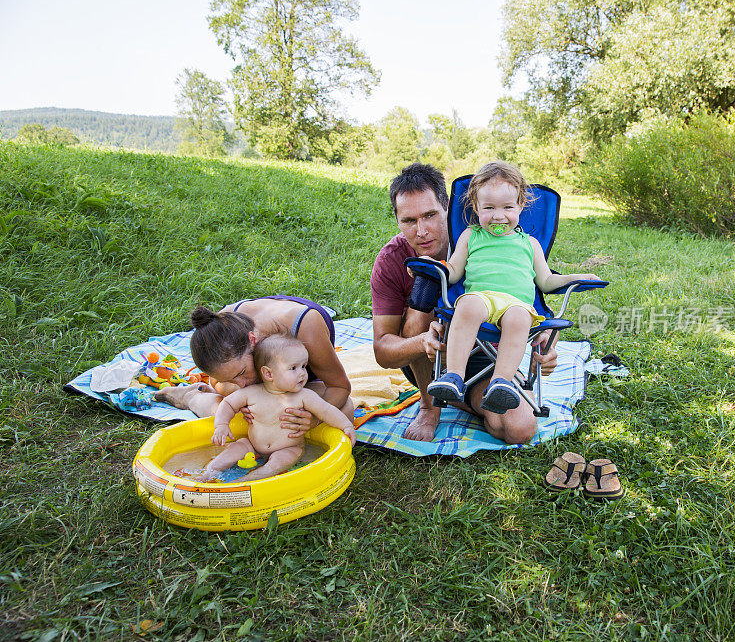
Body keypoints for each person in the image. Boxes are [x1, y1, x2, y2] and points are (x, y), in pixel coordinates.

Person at [370, 163, 558, 445]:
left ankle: (472, 395)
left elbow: (525, 290)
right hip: (427, 357)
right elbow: (383, 351)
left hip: (486, 354)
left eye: (431, 215)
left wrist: (543, 338)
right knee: (424, 293)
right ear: (396, 219)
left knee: (519, 428)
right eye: (409, 220)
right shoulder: (391, 260)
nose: (422, 231)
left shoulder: (496, 242)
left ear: (448, 208)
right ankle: (429, 406)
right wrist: (423, 341)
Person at [425, 161, 601, 414]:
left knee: (521, 316)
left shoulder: (530, 244)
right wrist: (432, 265)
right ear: (476, 207)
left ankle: (502, 383)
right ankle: (452, 376)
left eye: (508, 207)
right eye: (489, 208)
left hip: (516, 304)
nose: (499, 216)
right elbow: (452, 273)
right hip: (481, 299)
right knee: (467, 304)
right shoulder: (471, 236)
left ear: (520, 206)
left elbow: (547, 281)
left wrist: (576, 277)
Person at [155, 296, 354, 437]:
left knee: (345, 409)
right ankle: (192, 397)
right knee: (236, 414)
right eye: (231, 379)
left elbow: (340, 387)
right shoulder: (219, 328)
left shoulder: (304, 327)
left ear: (253, 340)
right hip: (265, 390)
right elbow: (219, 384)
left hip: (297, 383)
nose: (241, 384)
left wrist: (313, 418)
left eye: (242, 373)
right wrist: (244, 398)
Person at [200, 332, 356, 482]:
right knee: (235, 449)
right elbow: (228, 404)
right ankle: (207, 474)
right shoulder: (251, 393)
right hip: (252, 446)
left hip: (288, 448)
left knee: (280, 462)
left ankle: (247, 481)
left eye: (304, 366)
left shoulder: (304, 396)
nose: (302, 373)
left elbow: (327, 411)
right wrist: (221, 424)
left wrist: (346, 425)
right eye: (294, 368)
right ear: (268, 374)